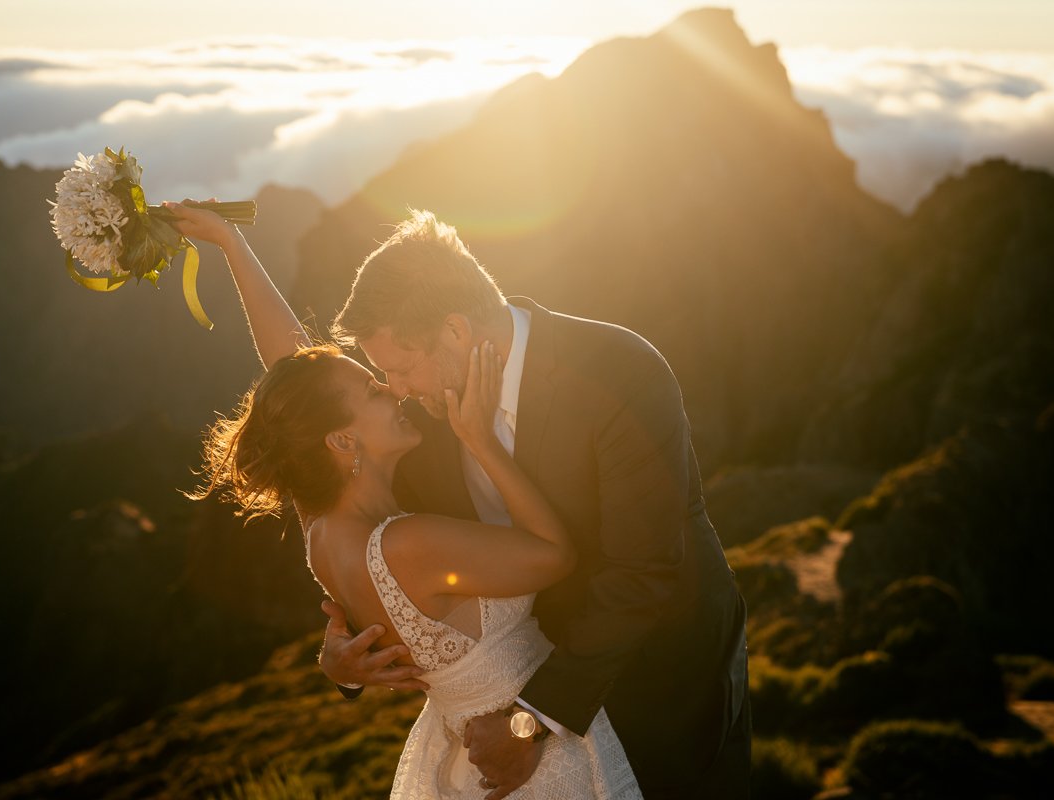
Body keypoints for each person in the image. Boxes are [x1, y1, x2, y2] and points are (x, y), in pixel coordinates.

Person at [169, 200, 644, 799]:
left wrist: (232, 247)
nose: (393, 390)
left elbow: (293, 372)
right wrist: (480, 441)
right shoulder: (408, 542)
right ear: (343, 438)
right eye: (373, 389)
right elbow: (554, 556)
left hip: (458, 757)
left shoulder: (321, 519)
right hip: (528, 763)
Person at [319, 210, 751, 798]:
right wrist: (343, 664)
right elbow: (369, 535)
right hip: (515, 713)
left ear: (454, 332)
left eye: (398, 367)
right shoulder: (422, 418)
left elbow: (642, 572)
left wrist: (529, 724)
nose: (393, 389)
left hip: (662, 684)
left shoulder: (621, 372)